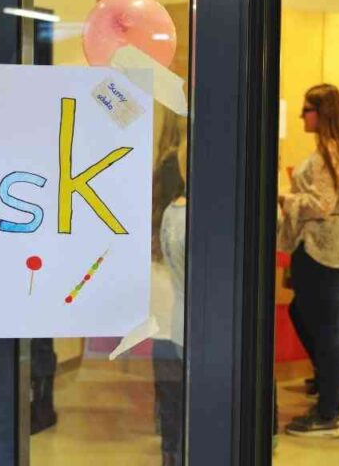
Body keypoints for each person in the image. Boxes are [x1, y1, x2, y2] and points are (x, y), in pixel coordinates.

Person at [278, 84, 339, 438]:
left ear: (322, 113)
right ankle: (334, 404)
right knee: (329, 325)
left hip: (321, 247)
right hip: (331, 247)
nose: (302, 115)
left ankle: (328, 411)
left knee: (325, 327)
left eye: (306, 109)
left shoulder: (328, 154)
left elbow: (321, 205)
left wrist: (285, 199)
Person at [154, 137, 188, 466]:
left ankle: (170, 455)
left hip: (167, 326)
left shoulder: (166, 215)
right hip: (181, 326)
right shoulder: (186, 217)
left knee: (170, 405)